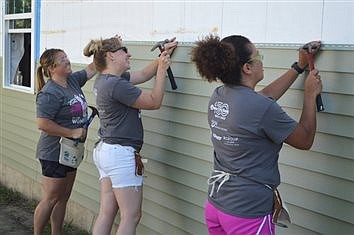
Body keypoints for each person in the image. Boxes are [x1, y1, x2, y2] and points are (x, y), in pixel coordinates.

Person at [191, 35, 322, 235]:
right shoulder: (260, 108)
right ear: (247, 68)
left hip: (217, 205)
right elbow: (304, 140)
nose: (261, 58)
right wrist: (310, 95)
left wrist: (298, 67)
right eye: (258, 55)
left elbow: (262, 98)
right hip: (247, 212)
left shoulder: (219, 95)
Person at [83, 35, 177, 235]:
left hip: (106, 150)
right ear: (111, 56)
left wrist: (162, 57)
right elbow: (154, 101)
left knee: (107, 213)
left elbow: (143, 74)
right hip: (120, 155)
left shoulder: (106, 80)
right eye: (124, 50)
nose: (129, 54)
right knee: (131, 216)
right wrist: (162, 69)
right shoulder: (116, 85)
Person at [34, 48, 97, 235]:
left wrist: (104, 47)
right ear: (52, 68)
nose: (68, 60)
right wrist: (72, 131)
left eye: (67, 57)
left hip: (70, 151)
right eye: (63, 59)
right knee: (51, 198)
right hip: (53, 153)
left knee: (63, 198)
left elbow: (94, 67)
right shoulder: (49, 93)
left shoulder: (73, 81)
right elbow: (43, 124)